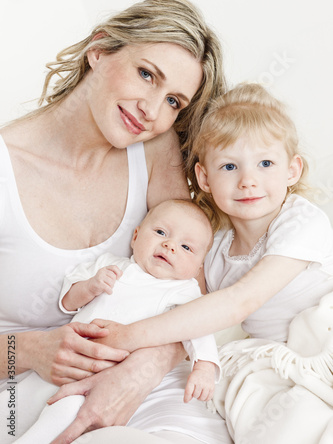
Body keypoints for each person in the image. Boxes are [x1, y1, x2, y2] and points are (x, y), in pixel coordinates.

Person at [0, 0, 226, 444]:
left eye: (174, 102)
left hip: (149, 386)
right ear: (99, 50)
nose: (151, 111)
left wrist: (142, 367)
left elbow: (189, 292)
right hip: (21, 394)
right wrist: (27, 350)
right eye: (146, 75)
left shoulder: (154, 151)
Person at [85, 82, 333, 355]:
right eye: (229, 166)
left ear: (292, 170)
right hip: (274, 356)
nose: (248, 181)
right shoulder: (214, 249)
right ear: (204, 178)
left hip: (323, 343)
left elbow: (240, 301)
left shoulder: (301, 222)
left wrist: (130, 336)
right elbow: (189, 308)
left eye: (265, 164)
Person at [13, 199, 223, 444]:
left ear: (198, 267)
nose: (170, 245)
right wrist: (90, 287)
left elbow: (197, 325)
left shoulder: (183, 291)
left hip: (103, 380)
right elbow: (68, 302)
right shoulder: (110, 265)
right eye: (161, 232)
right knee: (19, 401)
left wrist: (205, 367)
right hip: (64, 359)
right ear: (136, 236)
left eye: (186, 247)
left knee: (65, 413)